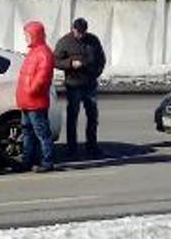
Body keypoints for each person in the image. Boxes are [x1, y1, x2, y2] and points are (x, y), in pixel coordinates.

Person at [54, 17, 106, 157]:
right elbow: (55, 60)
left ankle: (92, 146)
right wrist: (70, 64)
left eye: (83, 32)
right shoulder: (65, 42)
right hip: (74, 84)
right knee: (73, 116)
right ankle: (72, 148)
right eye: (78, 32)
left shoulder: (93, 40)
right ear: (73, 29)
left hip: (90, 83)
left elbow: (101, 58)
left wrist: (96, 72)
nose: (81, 35)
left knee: (93, 117)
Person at [17, 21, 56, 172]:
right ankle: (27, 161)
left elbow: (42, 77)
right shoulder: (33, 52)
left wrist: (31, 91)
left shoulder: (44, 53)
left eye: (27, 35)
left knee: (42, 133)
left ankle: (47, 162)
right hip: (27, 101)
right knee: (27, 133)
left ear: (35, 35)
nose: (26, 38)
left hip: (35, 102)